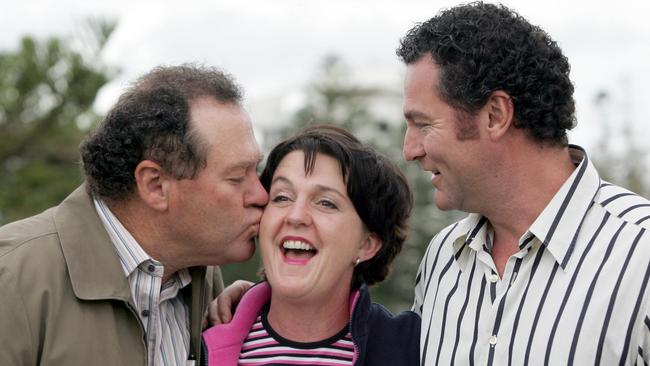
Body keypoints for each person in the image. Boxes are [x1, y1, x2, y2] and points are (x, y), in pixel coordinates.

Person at [396, 2, 650, 365]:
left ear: (495, 115)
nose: (409, 150)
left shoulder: (641, 255)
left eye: (423, 124)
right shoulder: (442, 259)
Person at [0, 64, 268, 365]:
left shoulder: (205, 282)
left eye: (256, 171)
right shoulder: (13, 279)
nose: (261, 196)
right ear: (155, 185)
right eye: (236, 178)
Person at [202, 125, 420, 365]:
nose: (296, 216)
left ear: (366, 244)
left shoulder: (413, 348)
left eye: (326, 203)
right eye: (282, 197)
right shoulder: (197, 340)